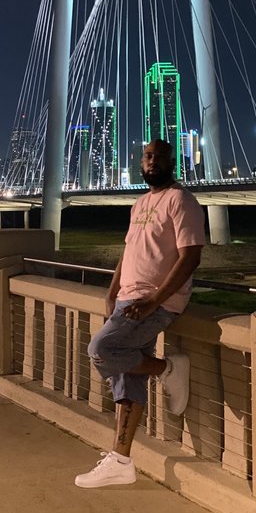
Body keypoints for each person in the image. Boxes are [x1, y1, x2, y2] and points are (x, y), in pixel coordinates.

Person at [75, 138, 205, 488]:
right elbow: (128, 252)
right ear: (141, 162)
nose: (152, 161)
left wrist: (154, 302)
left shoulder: (181, 200)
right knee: (128, 377)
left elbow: (191, 256)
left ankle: (167, 368)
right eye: (148, 156)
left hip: (156, 303)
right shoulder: (141, 203)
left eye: (159, 156)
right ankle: (120, 460)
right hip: (126, 300)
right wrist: (111, 292)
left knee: (102, 350)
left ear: (172, 161)